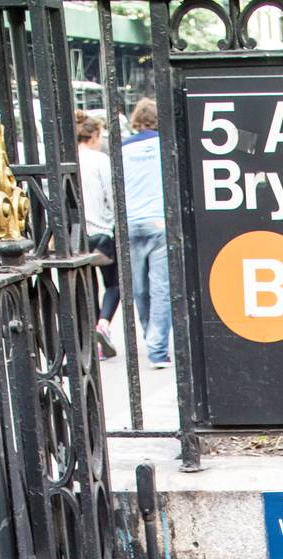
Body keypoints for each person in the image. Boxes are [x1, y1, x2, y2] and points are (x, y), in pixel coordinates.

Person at [121, 98, 170, 370]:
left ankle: (149, 333)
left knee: (139, 288)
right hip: (159, 221)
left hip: (130, 221)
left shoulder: (123, 148)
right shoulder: (164, 145)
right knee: (162, 288)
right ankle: (157, 348)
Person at [77, 115, 118, 358]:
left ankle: (93, 344)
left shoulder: (67, 159)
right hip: (101, 232)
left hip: (77, 236)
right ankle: (102, 324)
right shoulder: (100, 160)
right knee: (113, 284)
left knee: (86, 286)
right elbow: (111, 195)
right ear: (93, 136)